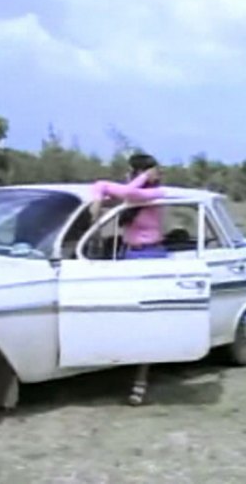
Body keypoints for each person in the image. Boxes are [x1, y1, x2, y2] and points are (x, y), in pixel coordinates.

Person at [90, 153, 167, 406]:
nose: (126, 176)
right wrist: (97, 202)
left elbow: (128, 194)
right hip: (130, 255)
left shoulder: (156, 194)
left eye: (129, 172)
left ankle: (140, 381)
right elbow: (99, 185)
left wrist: (144, 177)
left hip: (151, 256)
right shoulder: (133, 194)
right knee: (123, 316)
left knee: (145, 321)